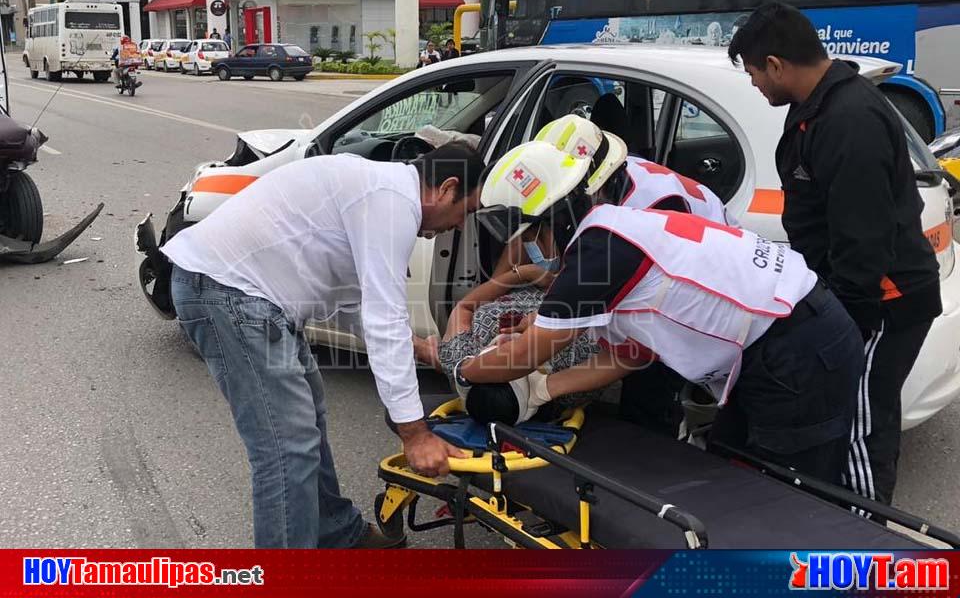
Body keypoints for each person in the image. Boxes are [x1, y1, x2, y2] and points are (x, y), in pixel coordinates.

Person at [455, 141, 866, 488]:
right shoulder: (611, 235)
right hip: (781, 338)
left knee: (788, 497)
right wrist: (547, 388)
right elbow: (630, 355)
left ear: (555, 219)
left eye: (531, 233)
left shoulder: (602, 253)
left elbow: (527, 354)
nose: (531, 247)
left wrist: (467, 370)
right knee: (732, 469)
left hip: (799, 347)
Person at [160, 144, 484, 548]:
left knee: (306, 421)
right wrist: (415, 434)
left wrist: (417, 347)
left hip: (247, 296)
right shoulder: (392, 202)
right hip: (228, 292)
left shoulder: (381, 191)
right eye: (465, 211)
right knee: (286, 449)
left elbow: (356, 305)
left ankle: (333, 533)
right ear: (446, 189)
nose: (459, 224)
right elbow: (383, 318)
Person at [728, 2, 942, 505]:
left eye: (756, 73)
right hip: (860, 294)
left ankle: (868, 541)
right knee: (849, 416)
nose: (756, 85)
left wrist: (849, 322)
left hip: (881, 302)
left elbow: (862, 237)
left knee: (863, 423)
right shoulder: (820, 110)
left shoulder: (850, 119)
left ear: (777, 65)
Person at [533, 113, 735, 436]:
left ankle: (657, 450)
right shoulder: (614, 177)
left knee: (651, 387)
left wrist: (543, 384)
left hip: (711, 293)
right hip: (695, 281)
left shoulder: (652, 207)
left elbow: (641, 341)